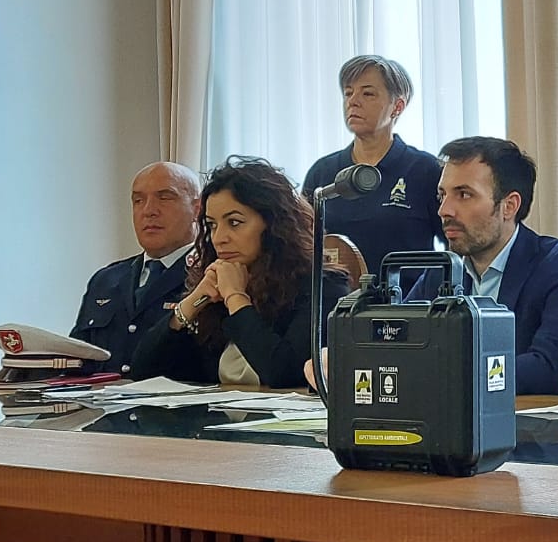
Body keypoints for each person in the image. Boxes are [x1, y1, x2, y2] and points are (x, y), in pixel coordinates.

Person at [406, 137, 558, 395]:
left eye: (464, 195)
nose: (444, 210)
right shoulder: (440, 274)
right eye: (442, 195)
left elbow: (551, 367)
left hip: (537, 417)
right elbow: (400, 346)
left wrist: (443, 373)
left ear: (509, 206)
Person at [133, 156, 347, 391]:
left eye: (234, 223)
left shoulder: (322, 285)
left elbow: (284, 373)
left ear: (274, 225)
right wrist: (193, 303)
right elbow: (143, 371)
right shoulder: (214, 282)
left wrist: (236, 298)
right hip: (217, 413)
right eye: (212, 225)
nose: (219, 238)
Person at [301, 55, 444, 273]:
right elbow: (302, 245)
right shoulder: (323, 172)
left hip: (410, 294)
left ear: (397, 106)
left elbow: (456, 246)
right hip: (336, 294)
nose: (353, 101)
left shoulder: (426, 170)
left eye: (367, 94)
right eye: (348, 93)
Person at [71, 162, 201, 375]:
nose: (149, 211)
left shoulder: (210, 276)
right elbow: (77, 361)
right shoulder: (106, 279)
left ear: (197, 209)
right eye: (138, 201)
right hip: (105, 397)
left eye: (165, 197)